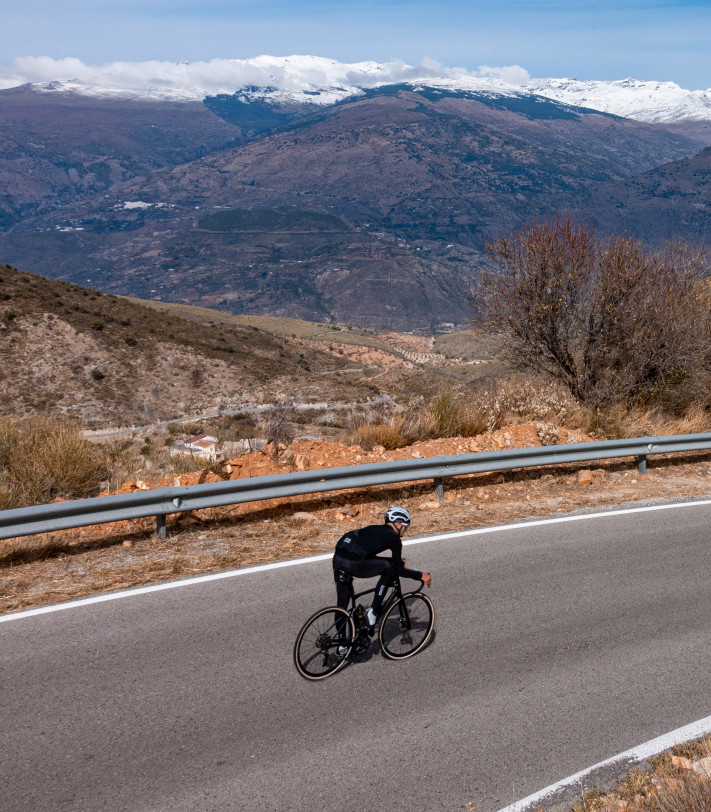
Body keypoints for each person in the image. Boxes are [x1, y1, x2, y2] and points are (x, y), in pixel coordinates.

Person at [332, 506, 432, 628]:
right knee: (389, 567)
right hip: (354, 562)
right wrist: (420, 575)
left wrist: (396, 562)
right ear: (398, 523)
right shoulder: (394, 539)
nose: (406, 530)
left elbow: (367, 554)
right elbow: (398, 570)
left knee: (342, 605)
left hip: (339, 558)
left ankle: (342, 645)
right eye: (406, 526)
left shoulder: (374, 529)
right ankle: (373, 611)